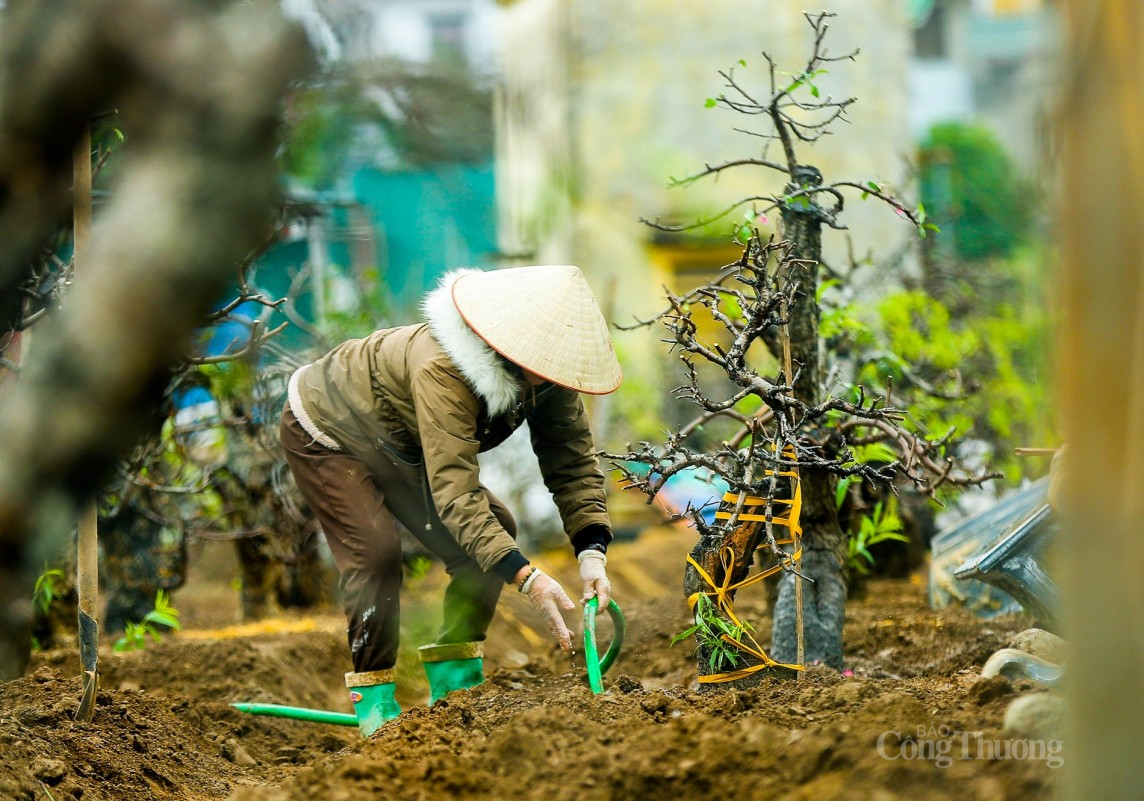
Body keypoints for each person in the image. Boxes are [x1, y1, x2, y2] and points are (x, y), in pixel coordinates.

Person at [278, 264, 622, 736]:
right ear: (509, 345)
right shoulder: (444, 367)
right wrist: (526, 578)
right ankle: (375, 703)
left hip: (401, 442)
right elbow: (455, 494)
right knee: (375, 554)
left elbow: (573, 461)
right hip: (329, 426)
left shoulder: (545, 373)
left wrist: (591, 552)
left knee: (493, 532)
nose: (549, 376)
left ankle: (454, 685)